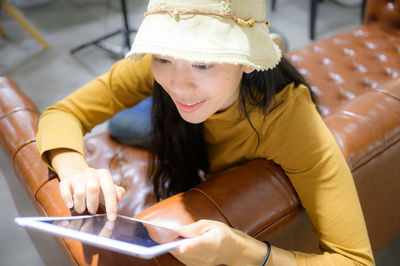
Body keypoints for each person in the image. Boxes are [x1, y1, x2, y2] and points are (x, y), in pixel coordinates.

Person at [36, 0, 374, 265]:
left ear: (246, 58)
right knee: (122, 124)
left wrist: (245, 251)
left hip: (204, 122)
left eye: (203, 63)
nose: (180, 85)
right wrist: (74, 169)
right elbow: (63, 112)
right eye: (163, 58)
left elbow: (355, 259)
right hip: (181, 122)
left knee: (129, 122)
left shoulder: (292, 121)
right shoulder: (157, 71)